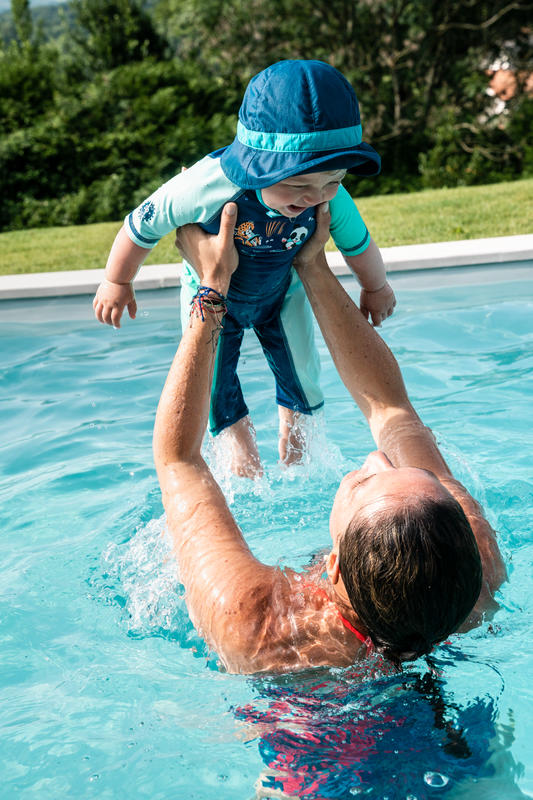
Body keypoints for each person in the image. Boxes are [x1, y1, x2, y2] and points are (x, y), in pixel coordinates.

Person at [152, 200, 506, 675]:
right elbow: (391, 408)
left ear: (335, 568)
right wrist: (312, 263)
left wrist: (212, 286)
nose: (378, 457)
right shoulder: (473, 582)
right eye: (413, 472)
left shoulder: (260, 629)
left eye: (364, 484)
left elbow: (179, 460)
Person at [93, 60, 396, 474]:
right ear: (255, 166)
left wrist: (375, 286)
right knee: (216, 390)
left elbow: (358, 244)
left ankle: (298, 467)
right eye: (297, 184)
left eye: (332, 180)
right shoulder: (207, 185)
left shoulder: (328, 195)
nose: (315, 197)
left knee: (304, 380)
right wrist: (117, 279)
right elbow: (142, 223)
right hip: (214, 297)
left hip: (281, 294)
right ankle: (243, 471)